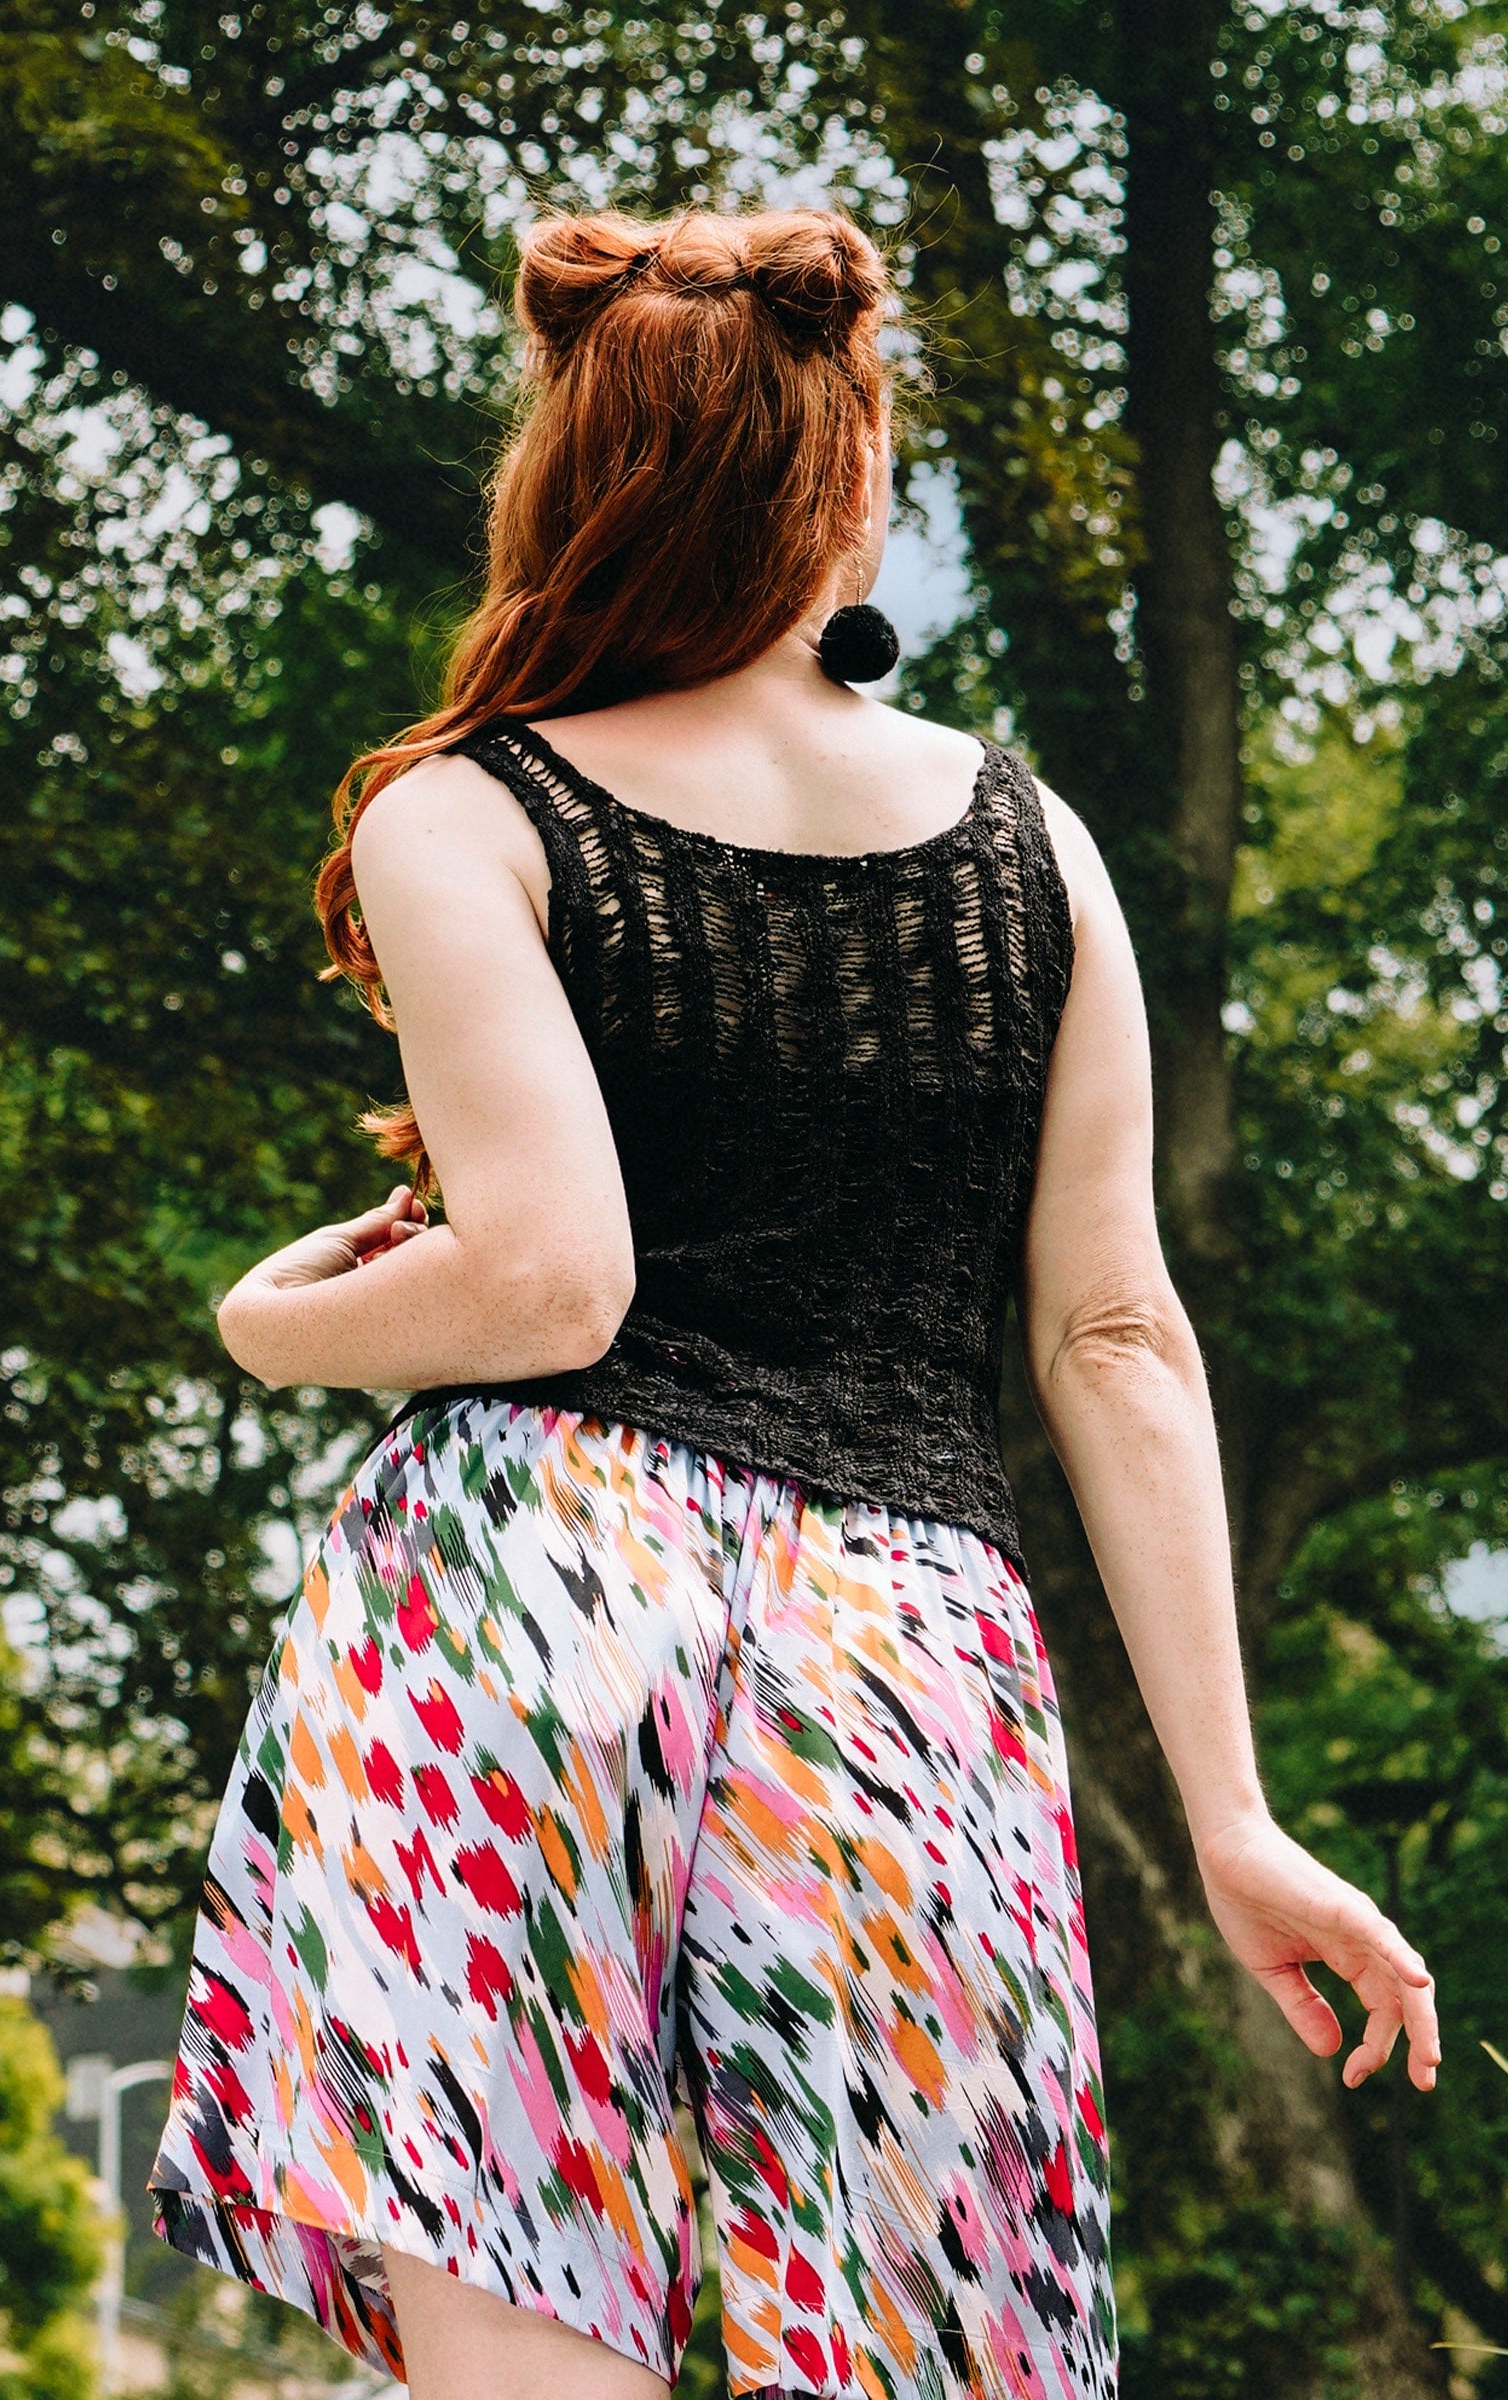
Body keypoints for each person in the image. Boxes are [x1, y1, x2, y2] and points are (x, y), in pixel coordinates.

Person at [148, 206, 1439, 2400]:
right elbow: (1113, 1336)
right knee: (916, 2336)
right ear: (846, 491)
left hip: (525, 1603)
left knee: (522, 2325)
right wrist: (1229, 1815)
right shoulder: (1033, 846)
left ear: (571, 483)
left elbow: (548, 1281)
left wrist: (269, 1327)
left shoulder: (465, 814)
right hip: (905, 1648)